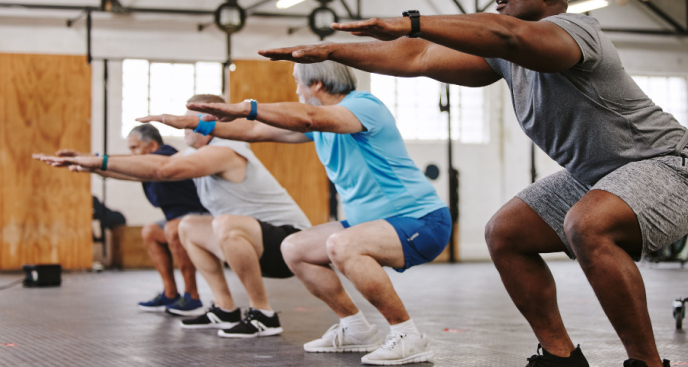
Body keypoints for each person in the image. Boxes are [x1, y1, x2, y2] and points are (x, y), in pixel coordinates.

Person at [254, 0, 688, 367]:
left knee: (587, 224)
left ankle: (646, 365)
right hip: (597, 175)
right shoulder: (503, 57)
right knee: (505, 233)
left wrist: (413, 20)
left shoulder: (576, 32)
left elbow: (506, 35)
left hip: (671, 165)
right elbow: (417, 57)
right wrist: (331, 51)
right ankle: (560, 357)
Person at [138, 62, 451, 366]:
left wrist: (247, 106)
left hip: (421, 220)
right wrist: (197, 123)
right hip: (369, 224)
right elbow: (257, 131)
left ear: (316, 84)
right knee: (295, 248)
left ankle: (407, 336)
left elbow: (307, 117)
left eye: (298, 81)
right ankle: (355, 328)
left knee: (341, 244)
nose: (297, 89)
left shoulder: (363, 106)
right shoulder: (320, 126)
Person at [35, 94, 311, 339]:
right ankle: (225, 309)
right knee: (189, 225)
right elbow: (146, 167)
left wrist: (99, 161)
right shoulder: (198, 152)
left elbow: (163, 169)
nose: (183, 126)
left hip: (290, 244)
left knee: (223, 223)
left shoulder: (226, 149)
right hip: (255, 242)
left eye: (189, 121)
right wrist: (91, 164)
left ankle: (263, 315)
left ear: (212, 122)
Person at [59, 124, 208, 316]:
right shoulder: (146, 165)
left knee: (172, 229)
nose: (132, 154)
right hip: (178, 217)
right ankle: (170, 293)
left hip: (202, 215)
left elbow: (124, 165)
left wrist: (92, 159)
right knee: (150, 232)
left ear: (153, 145)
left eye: (135, 148)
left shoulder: (166, 157)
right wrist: (88, 164)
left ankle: (192, 297)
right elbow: (121, 171)